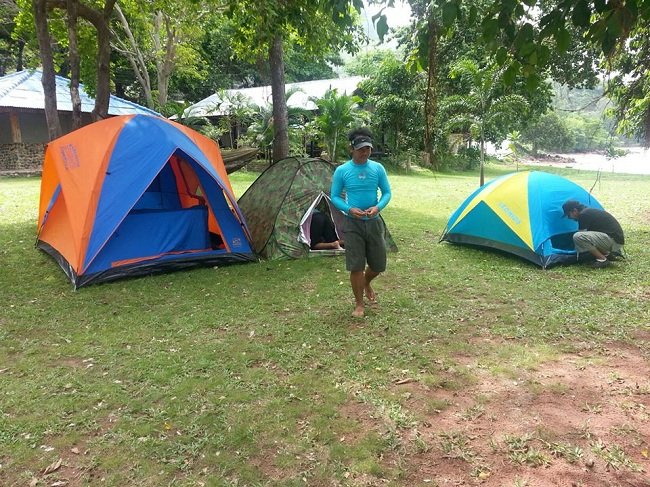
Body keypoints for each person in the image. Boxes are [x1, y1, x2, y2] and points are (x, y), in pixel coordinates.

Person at [330, 127, 392, 317]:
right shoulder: (342, 170)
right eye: (361, 149)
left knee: (379, 264)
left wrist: (378, 207)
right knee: (356, 265)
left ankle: (366, 282)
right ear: (352, 149)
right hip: (352, 223)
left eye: (368, 149)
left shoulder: (377, 169)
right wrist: (349, 209)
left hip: (373, 221)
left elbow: (387, 193)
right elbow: (334, 196)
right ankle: (359, 304)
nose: (365, 153)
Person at [562, 199, 625, 268]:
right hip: (615, 240)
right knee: (585, 237)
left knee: (578, 236)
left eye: (569, 215)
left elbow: (581, 234)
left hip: (613, 241)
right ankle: (607, 255)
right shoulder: (587, 212)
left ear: (574, 210)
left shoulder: (584, 214)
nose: (569, 218)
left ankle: (602, 260)